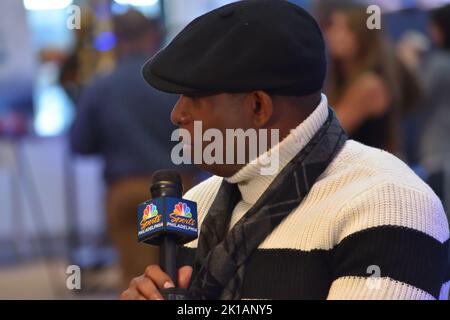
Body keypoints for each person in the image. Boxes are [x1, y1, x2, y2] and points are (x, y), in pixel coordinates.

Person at [121, 0, 449, 300]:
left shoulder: (389, 203)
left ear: (258, 106)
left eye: (194, 98)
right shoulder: (195, 206)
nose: (177, 114)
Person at [70, 9, 196, 289]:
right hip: (182, 188)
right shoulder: (175, 84)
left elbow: (80, 144)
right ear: (152, 36)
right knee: (188, 274)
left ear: (114, 39)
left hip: (126, 193)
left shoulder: (100, 87)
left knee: (140, 282)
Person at [323, 4, 421, 155]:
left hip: (373, 173)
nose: (331, 34)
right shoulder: (346, 80)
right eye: (333, 27)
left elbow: (326, 138)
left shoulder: (369, 85)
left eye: (342, 28)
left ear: (362, 36)